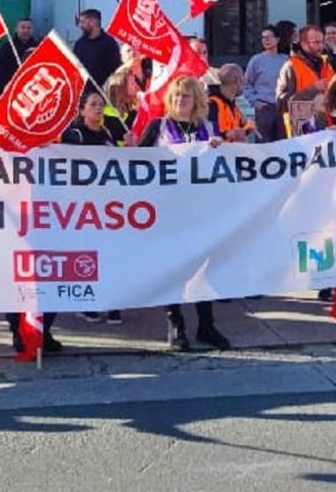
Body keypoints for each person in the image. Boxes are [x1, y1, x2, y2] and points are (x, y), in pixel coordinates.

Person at [138, 76, 230, 351]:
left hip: (200, 210)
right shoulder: (158, 127)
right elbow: (134, 163)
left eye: (186, 97)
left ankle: (207, 324)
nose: (180, 101)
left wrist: (219, 147)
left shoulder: (207, 129)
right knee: (174, 267)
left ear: (197, 102)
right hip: (167, 210)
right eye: (176, 96)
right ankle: (175, 324)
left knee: (204, 268)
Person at [66, 91, 126, 326]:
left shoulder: (109, 133)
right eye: (93, 105)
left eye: (101, 105)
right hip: (83, 206)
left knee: (111, 254)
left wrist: (130, 148)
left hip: (109, 206)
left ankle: (112, 304)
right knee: (87, 256)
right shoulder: (75, 135)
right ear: (82, 111)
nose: (98, 109)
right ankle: (88, 303)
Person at [277, 25, 335, 136]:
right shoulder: (290, 66)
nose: (321, 46)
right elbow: (281, 103)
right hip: (302, 132)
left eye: (322, 42)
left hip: (327, 127)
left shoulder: (326, 64)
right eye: (316, 43)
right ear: (303, 44)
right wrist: (313, 89)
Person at [243, 27, 289, 143]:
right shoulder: (256, 60)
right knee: (263, 144)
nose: (266, 40)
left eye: (269, 37)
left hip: (282, 107)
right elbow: (246, 84)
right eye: (263, 37)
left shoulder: (286, 60)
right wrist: (254, 102)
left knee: (283, 143)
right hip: (264, 108)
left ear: (277, 39)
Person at [72, 9, 124, 95]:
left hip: (105, 94)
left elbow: (116, 69)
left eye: (82, 22)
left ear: (92, 22)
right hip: (84, 95)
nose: (80, 26)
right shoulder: (79, 44)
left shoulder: (109, 43)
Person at [207, 64, 251, 142]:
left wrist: (246, 129)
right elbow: (208, 133)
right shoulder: (212, 104)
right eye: (243, 79)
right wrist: (227, 135)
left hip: (231, 152)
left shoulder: (233, 106)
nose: (244, 84)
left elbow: (243, 126)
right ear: (237, 81)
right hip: (217, 153)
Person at [0, 18, 38, 91]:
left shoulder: (38, 47)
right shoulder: (7, 47)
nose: (26, 30)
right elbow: (0, 70)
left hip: (32, 89)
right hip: (12, 88)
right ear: (17, 29)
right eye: (23, 27)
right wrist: (2, 88)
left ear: (32, 30)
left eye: (29, 28)